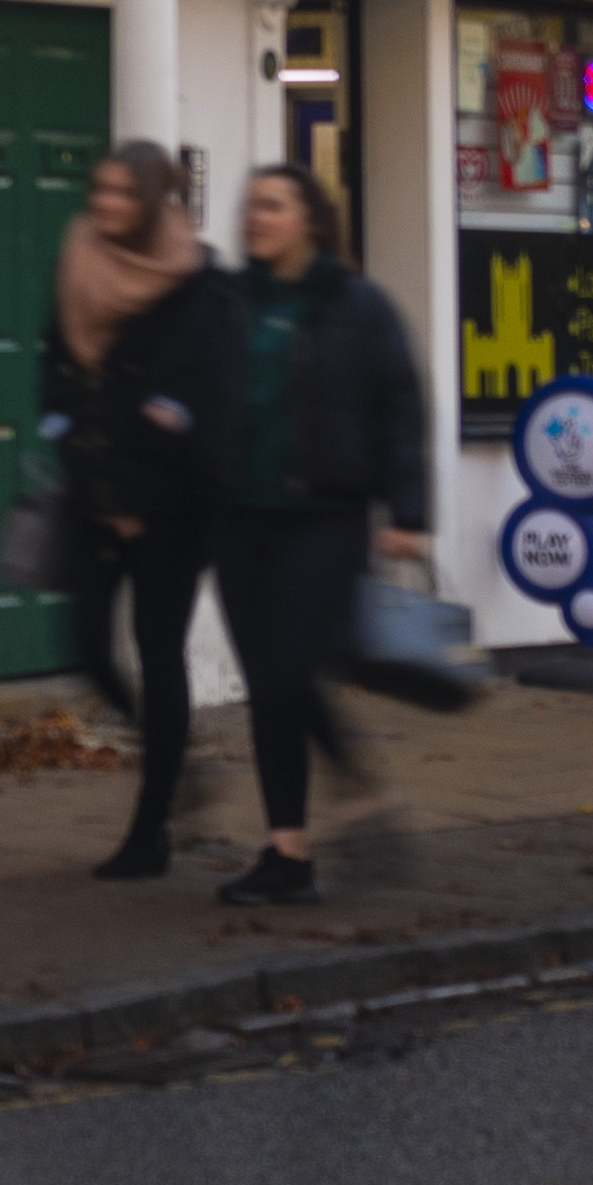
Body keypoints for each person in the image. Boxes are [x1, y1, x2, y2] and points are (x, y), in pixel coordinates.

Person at [202, 157, 433, 909]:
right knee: (268, 689)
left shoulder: (356, 305)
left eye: (271, 206)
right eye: (250, 207)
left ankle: (342, 805)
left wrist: (409, 514)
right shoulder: (230, 302)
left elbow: (399, 406)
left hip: (324, 519)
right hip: (240, 519)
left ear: (308, 218)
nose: (255, 218)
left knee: (289, 675)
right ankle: (288, 852)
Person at [47, 137, 216, 878]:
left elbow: (188, 399)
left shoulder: (193, 282)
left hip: (169, 507)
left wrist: (142, 491)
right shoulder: (80, 254)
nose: (106, 206)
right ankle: (172, 759)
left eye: (123, 195)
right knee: (85, 644)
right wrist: (66, 439)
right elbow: (55, 365)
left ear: (152, 204)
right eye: (101, 191)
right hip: (93, 494)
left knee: (158, 652)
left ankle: (152, 829)